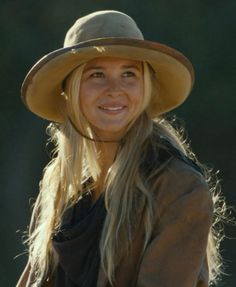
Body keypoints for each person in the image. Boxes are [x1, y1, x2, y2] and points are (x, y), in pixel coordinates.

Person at [17, 10, 225, 287]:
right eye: (97, 74)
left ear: (145, 88)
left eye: (129, 73)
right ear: (70, 90)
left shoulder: (178, 187)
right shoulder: (59, 187)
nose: (115, 89)